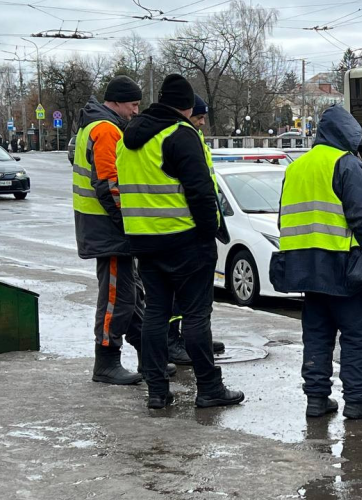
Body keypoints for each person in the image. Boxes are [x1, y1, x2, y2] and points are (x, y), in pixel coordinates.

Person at [117, 74, 242, 410]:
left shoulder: (127, 139)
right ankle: (209, 388)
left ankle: (157, 391)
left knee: (156, 313)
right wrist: (207, 233)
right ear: (186, 107)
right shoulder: (181, 134)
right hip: (185, 241)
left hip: (143, 241)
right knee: (196, 316)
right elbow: (201, 192)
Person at [271, 104, 362, 420]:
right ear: (348, 134)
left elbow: (284, 219)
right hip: (344, 268)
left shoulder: (296, 167)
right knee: (357, 335)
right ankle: (359, 400)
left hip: (304, 269)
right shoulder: (347, 164)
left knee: (317, 335)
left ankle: (316, 399)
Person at [72, 76, 162, 386]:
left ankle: (149, 354)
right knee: (115, 296)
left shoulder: (93, 125)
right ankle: (107, 361)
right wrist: (128, 222)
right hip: (109, 230)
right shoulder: (106, 129)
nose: (136, 111)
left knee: (130, 292)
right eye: (134, 104)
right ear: (118, 102)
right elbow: (109, 185)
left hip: (102, 227)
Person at [166, 94, 225, 366]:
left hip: (193, 226)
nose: (202, 122)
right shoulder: (179, 137)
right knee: (179, 299)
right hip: (182, 230)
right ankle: (175, 341)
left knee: (198, 297)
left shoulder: (194, 137)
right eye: (198, 117)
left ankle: (196, 339)